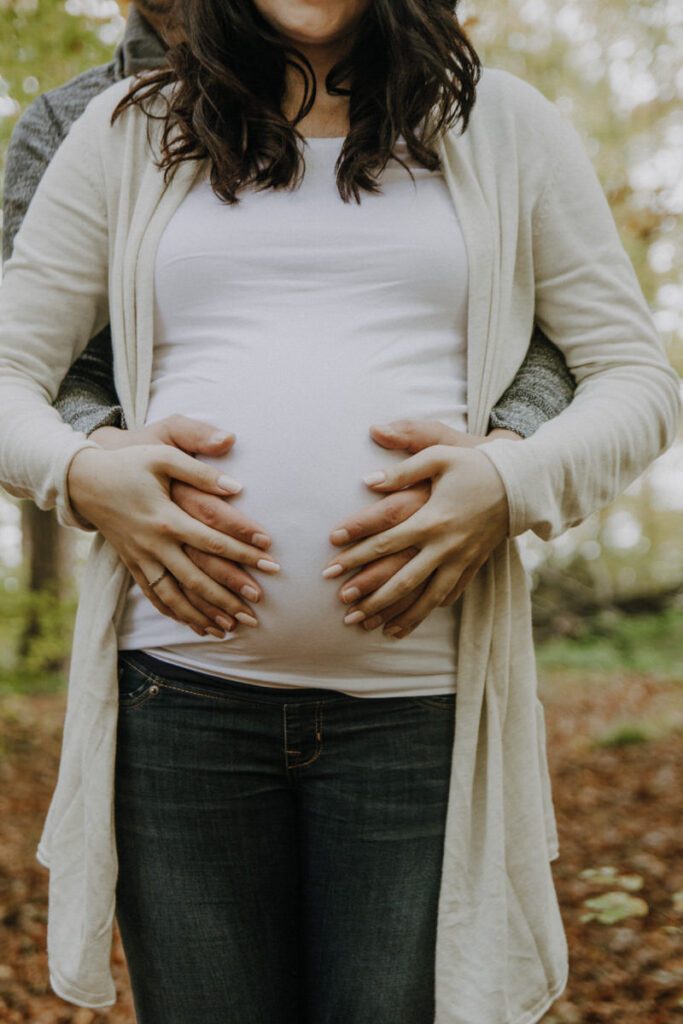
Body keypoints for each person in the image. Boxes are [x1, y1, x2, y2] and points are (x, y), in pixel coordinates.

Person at [0, 2, 680, 1023]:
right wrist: (82, 469)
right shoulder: (125, 132)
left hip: (420, 715)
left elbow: (633, 377)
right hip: (177, 706)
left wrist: (509, 483)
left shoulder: (504, 126)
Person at [2, 0, 578, 637]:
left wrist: (506, 469)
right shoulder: (105, 124)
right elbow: (47, 360)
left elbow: (549, 343)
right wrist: (93, 461)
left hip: (424, 677)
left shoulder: (486, 124)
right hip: (175, 672)